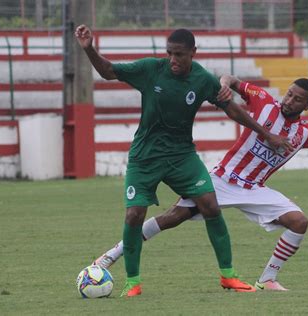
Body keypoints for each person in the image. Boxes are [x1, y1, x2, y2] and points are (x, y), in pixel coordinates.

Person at [92, 75, 308, 291]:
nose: (289, 100)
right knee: (173, 218)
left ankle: (268, 279)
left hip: (254, 189)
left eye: (298, 99)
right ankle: (110, 256)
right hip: (221, 179)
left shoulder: (307, 133)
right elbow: (231, 80)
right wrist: (221, 85)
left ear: (307, 105)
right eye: (289, 93)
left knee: (299, 221)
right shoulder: (262, 101)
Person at [75, 26, 294, 297]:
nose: (173, 60)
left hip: (182, 156)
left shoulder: (203, 79)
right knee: (134, 214)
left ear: (193, 53)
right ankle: (133, 283)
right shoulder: (151, 69)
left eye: (179, 54)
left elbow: (233, 110)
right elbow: (108, 71)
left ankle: (229, 276)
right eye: (169, 53)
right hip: (145, 156)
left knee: (211, 205)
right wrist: (89, 49)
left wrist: (266, 134)